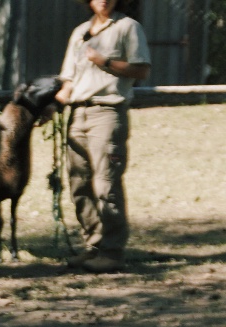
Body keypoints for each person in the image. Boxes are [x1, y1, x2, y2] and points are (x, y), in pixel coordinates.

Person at [55, 0, 152, 272]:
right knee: (79, 184)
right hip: (77, 114)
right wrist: (54, 102)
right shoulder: (80, 32)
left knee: (105, 184)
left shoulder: (127, 27)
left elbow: (141, 69)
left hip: (107, 113)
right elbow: (69, 79)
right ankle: (93, 246)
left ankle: (112, 252)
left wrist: (105, 61)